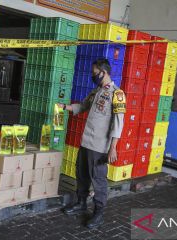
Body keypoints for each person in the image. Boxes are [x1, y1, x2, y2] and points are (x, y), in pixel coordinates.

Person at [58, 58, 126, 229]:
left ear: (104, 72)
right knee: (81, 175)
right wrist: (65, 107)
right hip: (86, 142)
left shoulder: (117, 94)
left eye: (95, 73)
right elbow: (82, 107)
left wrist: (113, 148)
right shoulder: (96, 92)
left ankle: (99, 213)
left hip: (100, 147)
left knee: (98, 180)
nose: (93, 76)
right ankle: (81, 203)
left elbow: (118, 124)